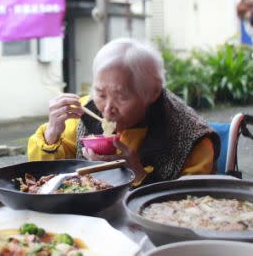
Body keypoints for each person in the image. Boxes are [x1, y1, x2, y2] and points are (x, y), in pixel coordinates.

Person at [28, 38, 220, 186]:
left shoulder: (192, 139)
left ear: (153, 92)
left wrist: (136, 172)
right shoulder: (84, 111)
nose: (107, 108)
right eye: (100, 93)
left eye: (121, 97)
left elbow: (189, 206)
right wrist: (52, 134)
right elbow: (42, 175)